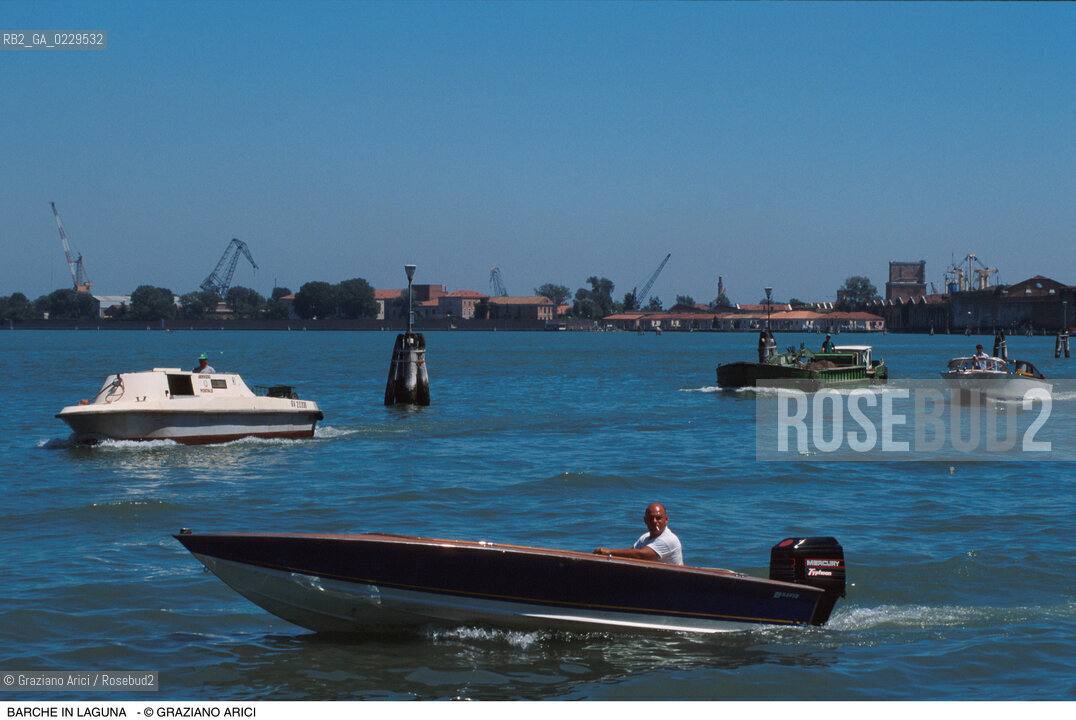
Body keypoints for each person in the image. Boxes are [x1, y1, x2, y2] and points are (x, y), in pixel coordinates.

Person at [594, 502, 683, 565]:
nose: (655, 521)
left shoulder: (669, 539)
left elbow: (639, 555)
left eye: (658, 518)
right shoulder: (644, 538)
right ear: (645, 520)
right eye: (651, 518)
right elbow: (629, 555)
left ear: (666, 519)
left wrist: (608, 552)